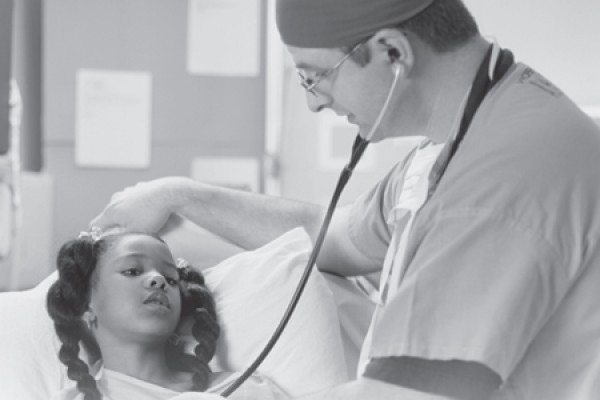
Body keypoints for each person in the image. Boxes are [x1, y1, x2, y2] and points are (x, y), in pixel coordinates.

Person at [90, 0, 600, 399]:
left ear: (393, 53)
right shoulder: (465, 136)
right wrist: (179, 196)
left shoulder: (497, 183)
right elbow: (338, 237)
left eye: (316, 75)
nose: (313, 102)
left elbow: (401, 397)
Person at [46, 231, 287, 400]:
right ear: (86, 304)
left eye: (171, 279)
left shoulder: (242, 390)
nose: (158, 280)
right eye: (132, 271)